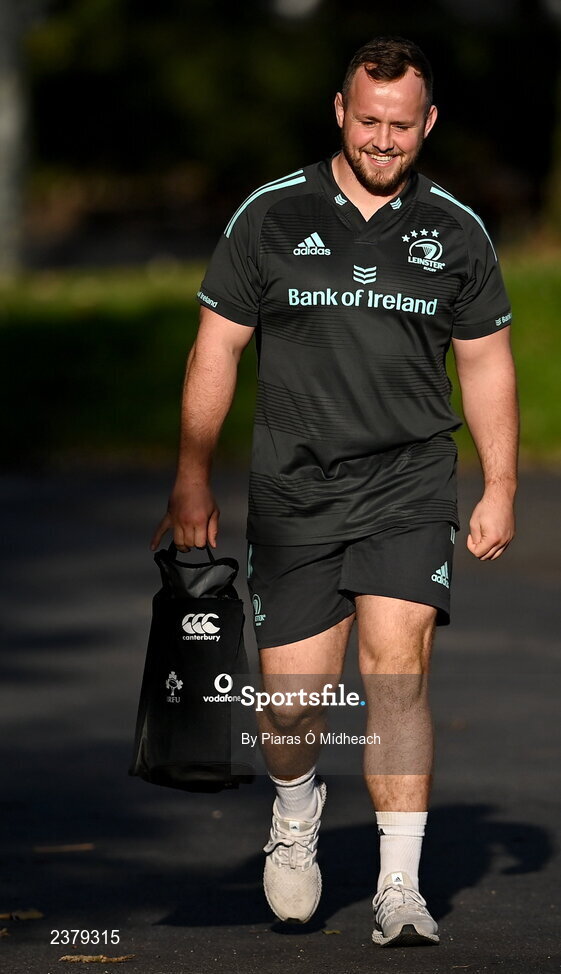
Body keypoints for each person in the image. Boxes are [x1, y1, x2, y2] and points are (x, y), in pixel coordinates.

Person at [151, 35, 518, 947]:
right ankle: (294, 810)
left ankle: (400, 886)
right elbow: (216, 350)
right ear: (339, 111)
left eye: (401, 126)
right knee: (290, 707)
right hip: (295, 496)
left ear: (427, 123)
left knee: (396, 675)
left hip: (408, 483)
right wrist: (191, 477)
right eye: (367, 121)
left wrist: (500, 483)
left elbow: (486, 365)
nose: (383, 141)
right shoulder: (270, 217)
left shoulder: (457, 231)